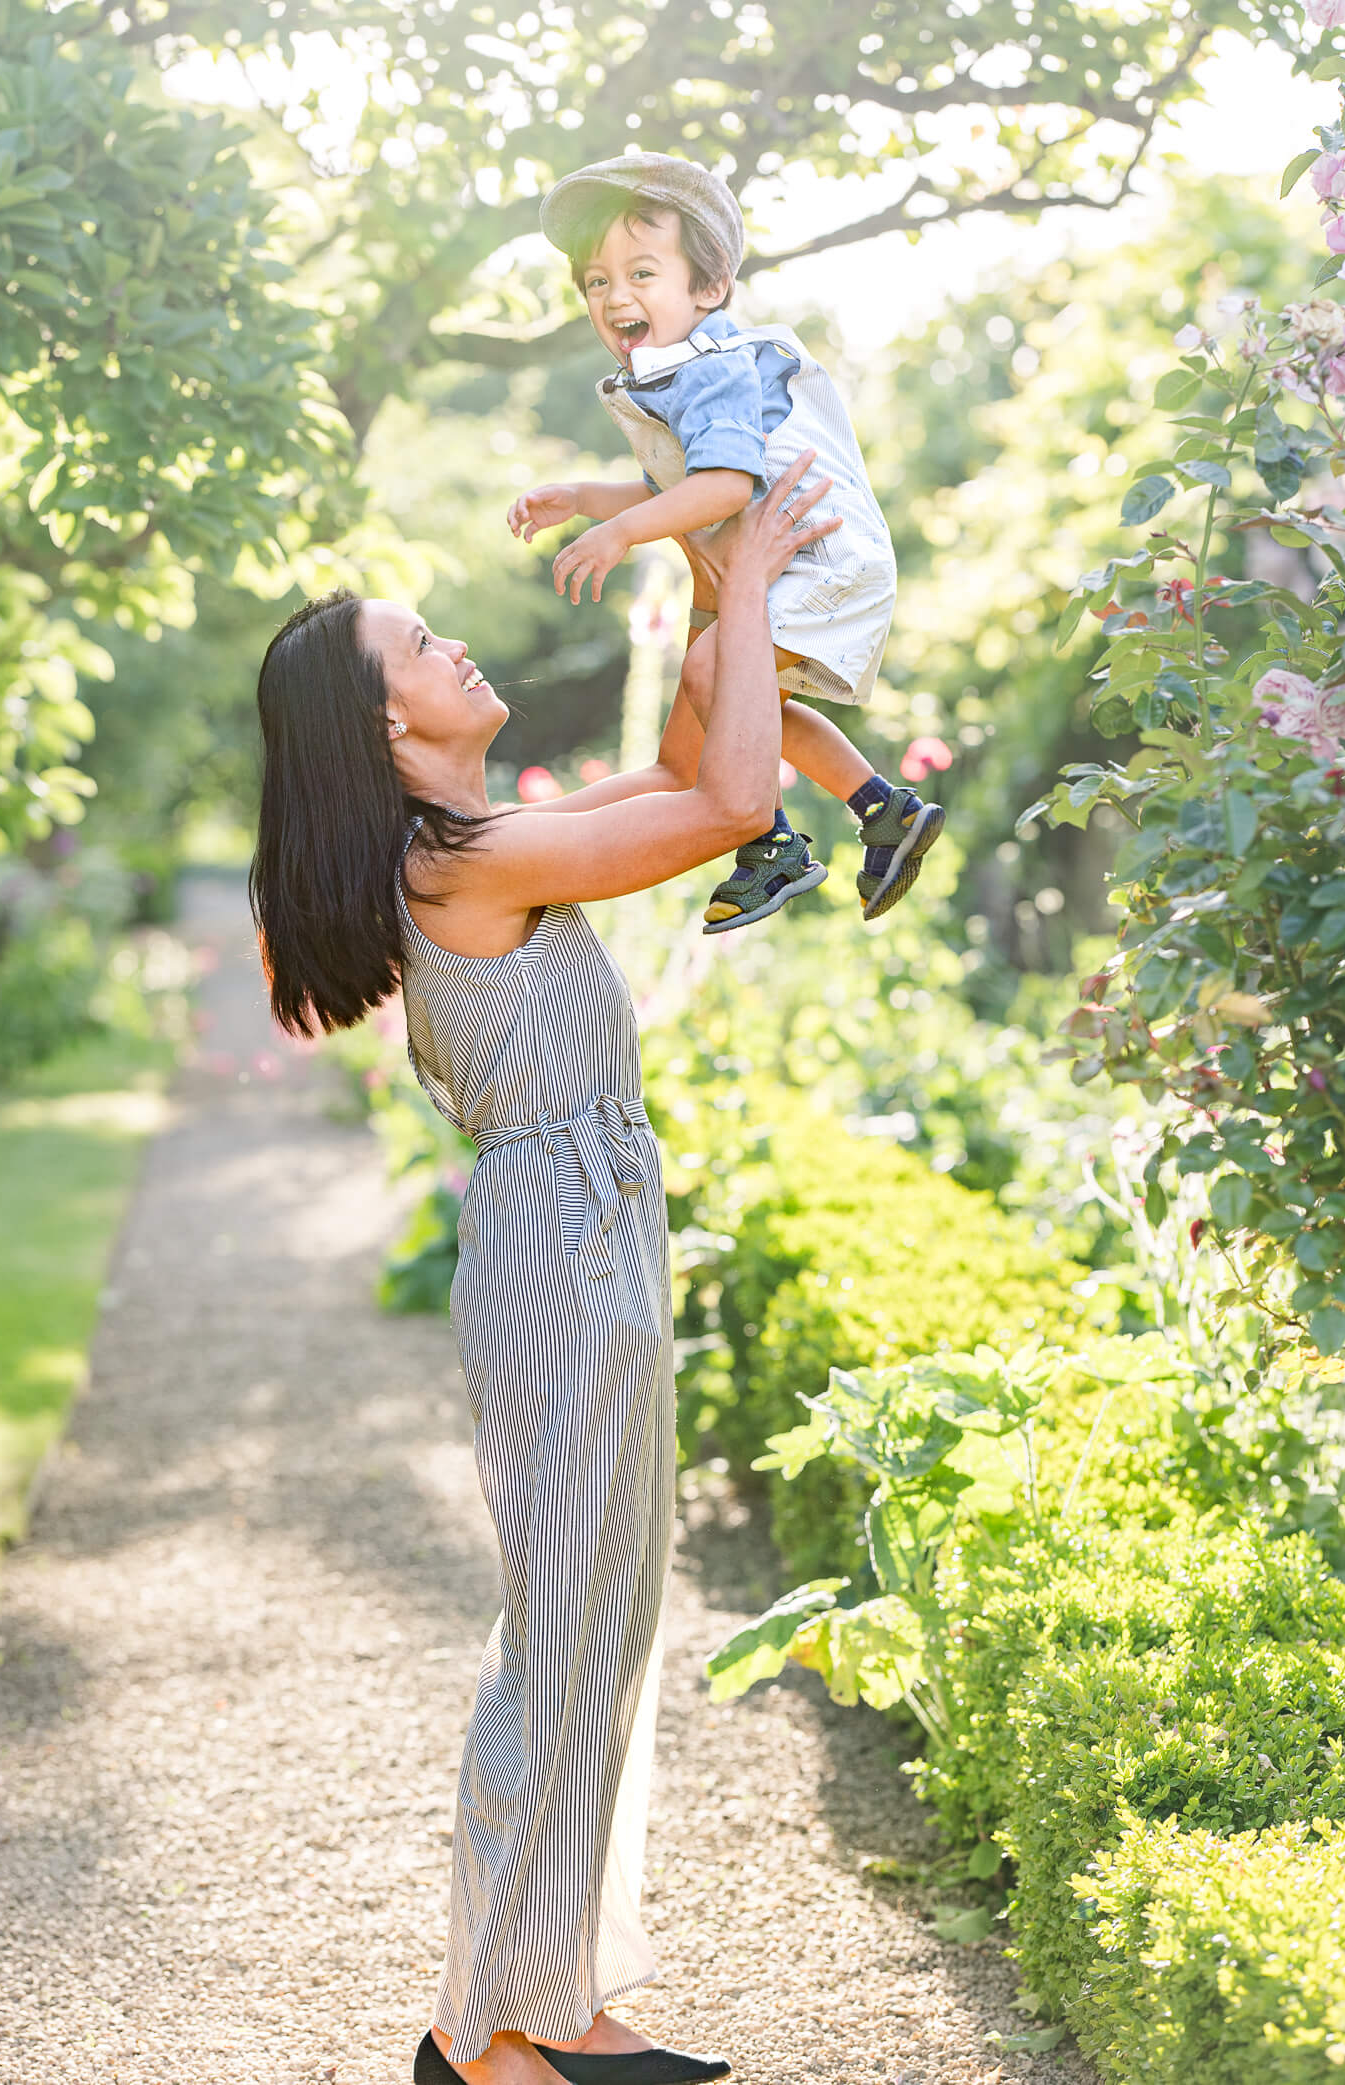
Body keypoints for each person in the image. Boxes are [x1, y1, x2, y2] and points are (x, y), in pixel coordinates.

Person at [249, 454, 841, 2085]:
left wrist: (716, 580)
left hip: (586, 1232)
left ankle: (544, 2005)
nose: (457, 646)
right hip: (562, 1256)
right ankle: (482, 2033)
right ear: (389, 728)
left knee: (602, 1628)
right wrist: (753, 579)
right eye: (423, 646)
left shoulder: (484, 839)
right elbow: (731, 809)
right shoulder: (457, 867)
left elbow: (687, 770)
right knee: (563, 1640)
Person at [507, 149, 946, 933]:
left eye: (642, 273)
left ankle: (773, 841)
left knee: (715, 672)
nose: (615, 296)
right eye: (597, 281)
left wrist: (617, 533)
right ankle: (884, 808)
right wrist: (582, 499)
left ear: (707, 287)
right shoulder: (676, 372)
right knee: (725, 716)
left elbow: (724, 489)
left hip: (815, 554)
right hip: (789, 560)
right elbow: (681, 487)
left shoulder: (709, 365)